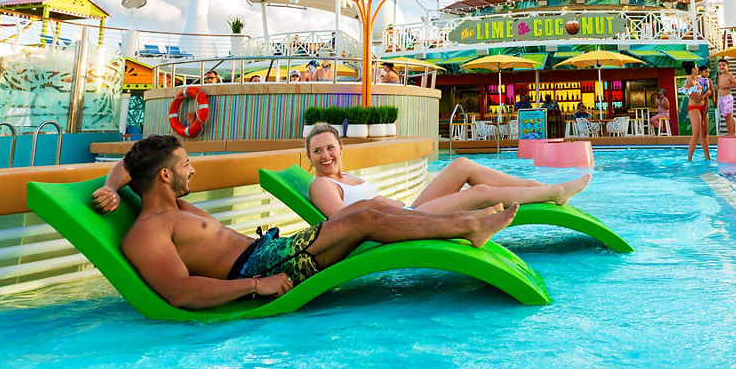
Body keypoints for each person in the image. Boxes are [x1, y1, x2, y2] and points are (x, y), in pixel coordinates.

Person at [89, 135, 518, 309]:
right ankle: (469, 225)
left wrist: (111, 184)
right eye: (185, 165)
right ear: (165, 176)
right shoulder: (148, 232)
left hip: (269, 252)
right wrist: (256, 286)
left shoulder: (175, 208)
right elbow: (178, 291)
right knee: (365, 217)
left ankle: (467, 221)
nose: (192, 170)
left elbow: (133, 166)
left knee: (367, 210)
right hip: (260, 269)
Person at [304, 124, 589, 216]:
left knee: (461, 165)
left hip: (407, 213)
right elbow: (342, 223)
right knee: (481, 193)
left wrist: (382, 203)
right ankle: (555, 191)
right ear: (310, 158)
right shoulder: (321, 185)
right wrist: (376, 203)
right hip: (403, 224)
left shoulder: (348, 177)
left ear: (341, 148)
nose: (325, 155)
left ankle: (535, 187)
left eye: (330, 147)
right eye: (317, 151)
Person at [679, 62, 711, 163]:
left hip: (703, 108)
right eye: (696, 67)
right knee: (696, 134)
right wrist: (707, 94)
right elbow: (697, 99)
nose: (698, 69)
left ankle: (708, 158)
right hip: (694, 108)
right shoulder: (690, 82)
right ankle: (689, 159)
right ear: (693, 69)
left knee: (704, 135)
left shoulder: (697, 81)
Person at [716, 59, 736, 137]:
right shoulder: (719, 76)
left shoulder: (730, 75)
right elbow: (718, 87)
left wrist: (727, 86)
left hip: (728, 97)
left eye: (723, 65)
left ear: (727, 66)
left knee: (729, 115)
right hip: (721, 98)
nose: (721, 67)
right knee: (725, 116)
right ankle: (729, 132)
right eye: (719, 65)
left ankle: (733, 133)